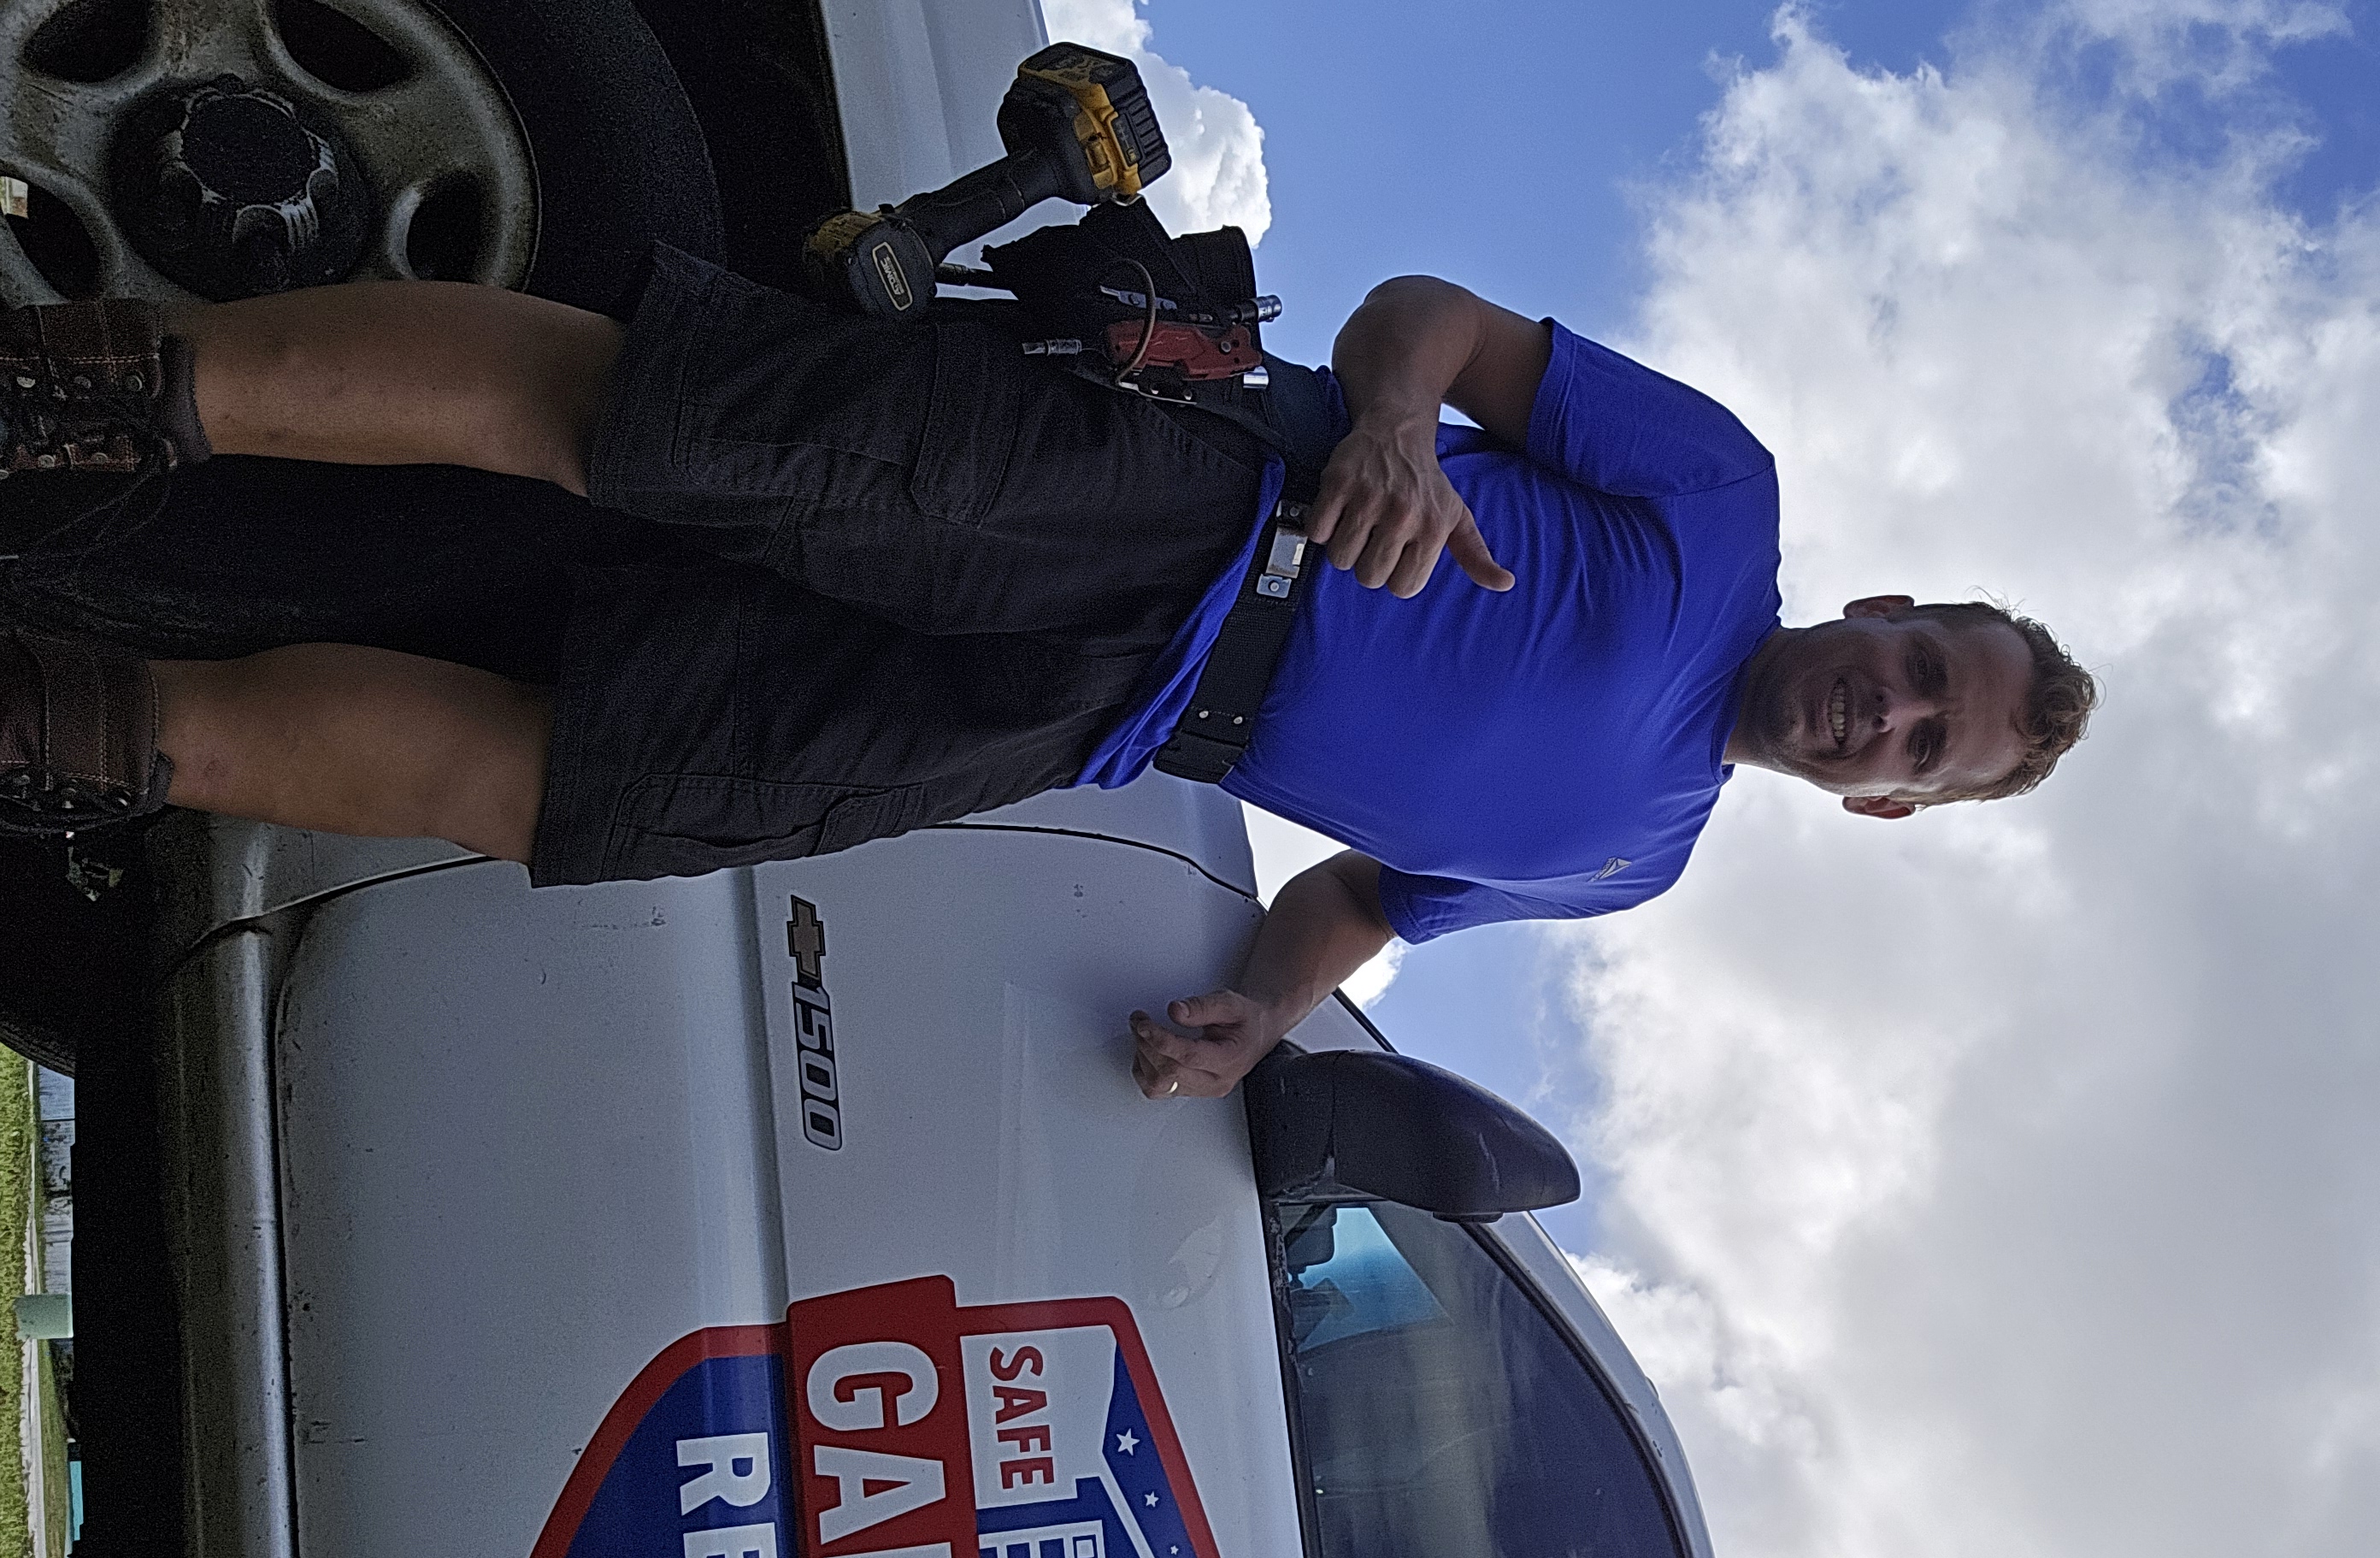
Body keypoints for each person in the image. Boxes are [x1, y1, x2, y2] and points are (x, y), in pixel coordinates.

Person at [0, 258, 2094, 1098]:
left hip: (1091, 728)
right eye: (1920, 665)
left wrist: (1265, 1012)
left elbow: (1367, 894)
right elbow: (1436, 321)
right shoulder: (1720, 501)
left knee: (567, 791)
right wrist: (1387, 428)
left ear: (1885, 806)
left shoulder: (1634, 862)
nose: (1889, 707)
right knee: (628, 420)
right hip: (1174, 505)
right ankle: (86, 388)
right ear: (1886, 606)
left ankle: (69, 722)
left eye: (1924, 743)